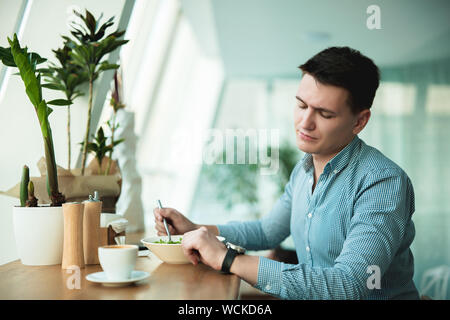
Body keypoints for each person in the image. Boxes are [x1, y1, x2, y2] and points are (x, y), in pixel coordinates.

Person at [153, 46, 419, 300]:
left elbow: (347, 285)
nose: (305, 123)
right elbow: (267, 231)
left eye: (324, 114)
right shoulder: (304, 170)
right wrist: (195, 228)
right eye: (302, 105)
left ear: (359, 121)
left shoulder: (383, 182)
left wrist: (228, 259)